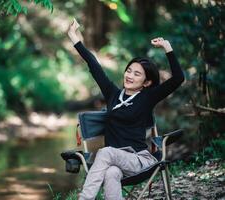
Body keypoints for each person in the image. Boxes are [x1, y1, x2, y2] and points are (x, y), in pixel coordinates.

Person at [67, 18, 185, 200]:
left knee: (105, 152)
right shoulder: (113, 94)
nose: (129, 75)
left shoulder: (148, 97)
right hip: (115, 162)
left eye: (137, 74)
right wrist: (73, 37)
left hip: (139, 160)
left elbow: (178, 78)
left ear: (146, 82)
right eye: (129, 70)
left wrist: (167, 47)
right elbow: (94, 66)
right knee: (111, 173)